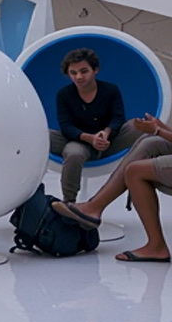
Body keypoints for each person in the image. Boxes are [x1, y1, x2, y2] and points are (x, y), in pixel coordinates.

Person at [55, 39, 172, 263]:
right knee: (148, 142)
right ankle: (93, 207)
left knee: (135, 171)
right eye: (74, 72)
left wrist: (158, 130)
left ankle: (156, 246)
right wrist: (158, 130)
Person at [49, 47, 126, 205]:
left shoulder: (110, 90)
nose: (79, 77)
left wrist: (105, 133)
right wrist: (89, 138)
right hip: (78, 141)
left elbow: (118, 118)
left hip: (109, 141)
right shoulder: (64, 94)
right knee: (70, 151)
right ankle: (69, 202)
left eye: (84, 71)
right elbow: (66, 126)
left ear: (95, 70)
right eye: (73, 73)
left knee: (137, 127)